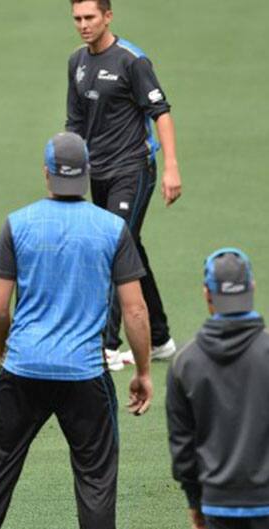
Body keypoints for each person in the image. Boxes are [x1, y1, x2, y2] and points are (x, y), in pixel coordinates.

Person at [0, 132, 152, 529]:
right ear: (88, 172)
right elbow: (134, 308)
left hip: (23, 369)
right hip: (84, 374)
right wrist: (143, 372)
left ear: (47, 173)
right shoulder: (112, 229)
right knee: (95, 483)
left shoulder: (19, 223)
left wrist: (3, 349)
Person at [65, 0, 183, 370]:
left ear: (108, 16)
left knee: (113, 246)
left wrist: (171, 168)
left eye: (90, 17)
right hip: (97, 173)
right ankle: (160, 338)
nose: (83, 25)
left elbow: (160, 112)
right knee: (132, 246)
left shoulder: (132, 60)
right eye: (78, 19)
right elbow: (75, 123)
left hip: (133, 169)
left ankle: (106, 344)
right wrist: (70, 169)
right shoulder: (77, 63)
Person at [166, 248, 269, 529]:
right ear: (251, 287)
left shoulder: (185, 362)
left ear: (207, 294)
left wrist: (194, 499)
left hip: (220, 503)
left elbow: (182, 445)